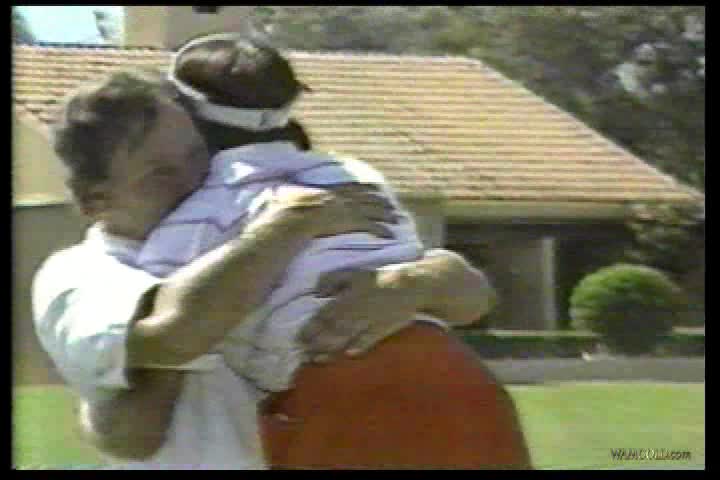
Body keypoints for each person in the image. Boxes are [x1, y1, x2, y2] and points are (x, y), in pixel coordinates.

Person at [35, 78, 507, 469]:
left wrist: (414, 282)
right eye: (160, 174)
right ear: (95, 201)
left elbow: (475, 297)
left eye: (198, 156)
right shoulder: (80, 276)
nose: (198, 180)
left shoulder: (247, 212)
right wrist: (289, 227)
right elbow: (162, 366)